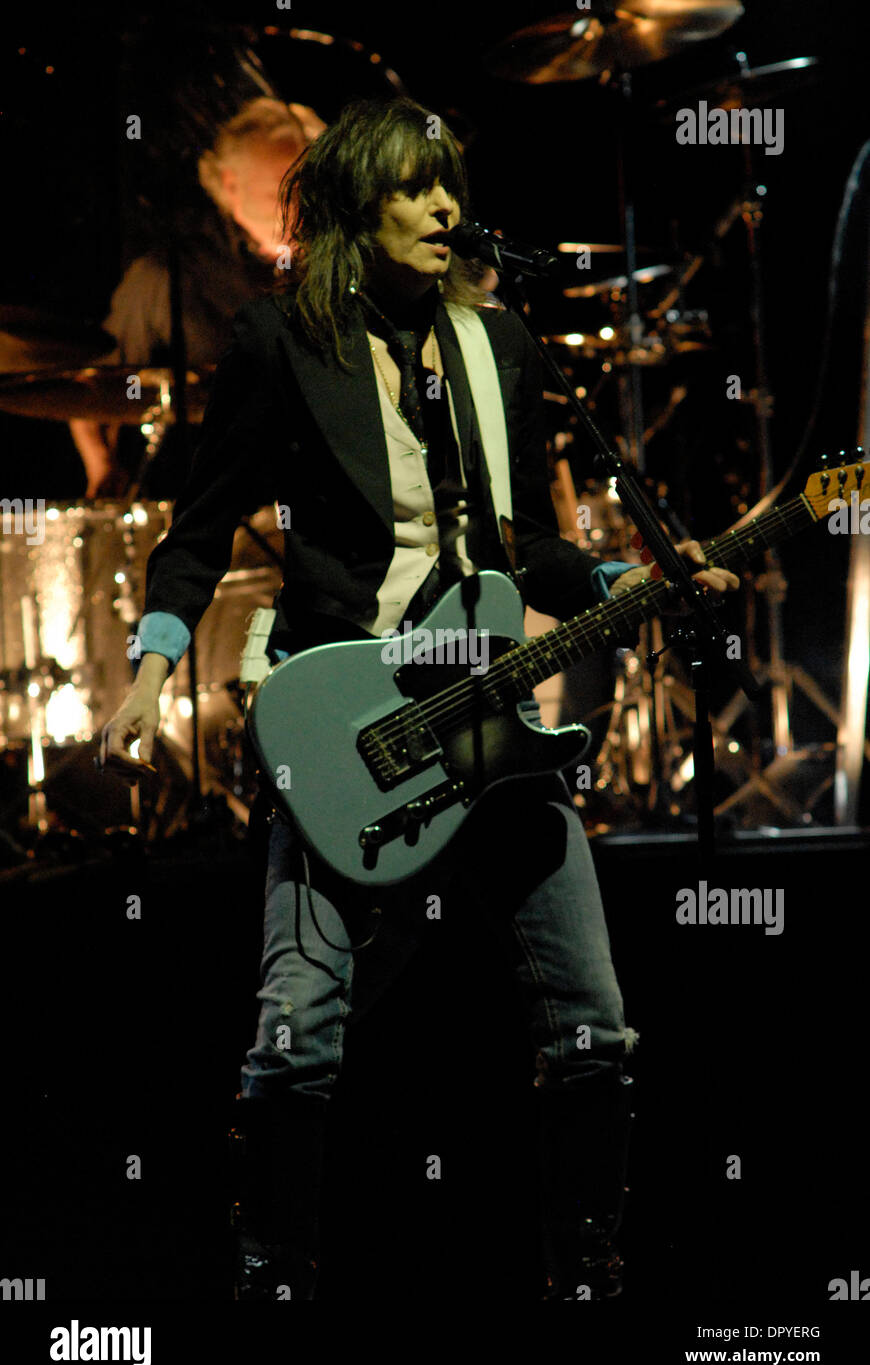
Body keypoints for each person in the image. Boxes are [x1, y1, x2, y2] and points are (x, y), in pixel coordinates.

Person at [99, 96, 740, 1300]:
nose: (449, 206)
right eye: (417, 188)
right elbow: (194, 531)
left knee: (594, 1026)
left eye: (452, 183)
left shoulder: (495, 345)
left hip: (492, 719)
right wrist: (151, 666)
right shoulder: (282, 343)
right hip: (352, 721)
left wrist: (626, 576)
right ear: (356, 204)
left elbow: (520, 544)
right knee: (298, 1038)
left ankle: (585, 1277)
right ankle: (271, 1275)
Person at [70, 97, 324, 498]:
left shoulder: (337, 268)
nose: (294, 212)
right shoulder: (163, 276)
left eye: (304, 194)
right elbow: (90, 394)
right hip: (207, 502)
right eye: (276, 194)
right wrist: (102, 468)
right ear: (229, 184)